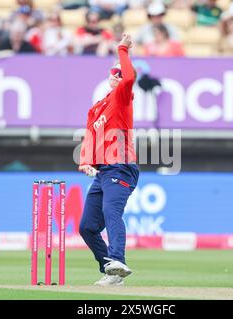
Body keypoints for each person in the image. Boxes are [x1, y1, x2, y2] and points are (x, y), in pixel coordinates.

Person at [78, 34, 139, 286]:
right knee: (87, 227)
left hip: (122, 166)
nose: (117, 76)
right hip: (103, 170)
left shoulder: (123, 97)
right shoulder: (97, 108)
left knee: (111, 211)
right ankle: (112, 271)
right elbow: (90, 133)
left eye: (119, 73)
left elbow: (130, 76)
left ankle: (118, 259)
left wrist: (122, 49)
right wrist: (86, 161)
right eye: (112, 73)